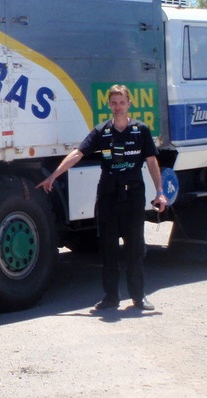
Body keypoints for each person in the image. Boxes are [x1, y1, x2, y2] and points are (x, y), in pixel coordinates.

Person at [37, 84, 167, 311]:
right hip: (108, 195)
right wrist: (54, 176)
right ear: (109, 105)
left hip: (133, 195)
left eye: (122, 102)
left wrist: (160, 192)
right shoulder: (102, 131)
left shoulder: (141, 130)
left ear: (129, 104)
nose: (118, 107)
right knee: (108, 248)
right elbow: (78, 153)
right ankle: (111, 298)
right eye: (114, 103)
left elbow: (152, 161)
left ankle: (138, 297)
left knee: (135, 248)